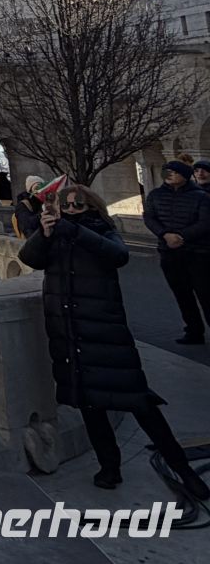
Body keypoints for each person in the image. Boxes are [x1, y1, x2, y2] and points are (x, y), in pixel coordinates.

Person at [19, 184, 209, 497]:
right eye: (65, 205)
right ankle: (109, 467)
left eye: (78, 204)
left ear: (91, 207)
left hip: (105, 334)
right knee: (89, 404)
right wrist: (45, 231)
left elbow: (118, 254)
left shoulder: (102, 231)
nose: (71, 208)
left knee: (139, 401)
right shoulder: (55, 236)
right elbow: (29, 257)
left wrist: (72, 229)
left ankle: (183, 470)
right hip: (69, 332)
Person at [142, 160, 210, 345]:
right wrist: (164, 235)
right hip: (169, 252)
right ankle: (193, 331)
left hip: (198, 253)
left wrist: (181, 236)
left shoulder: (201, 197)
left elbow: (205, 223)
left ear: (185, 175)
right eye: (166, 172)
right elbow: (149, 217)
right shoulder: (155, 195)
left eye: (174, 172)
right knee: (182, 294)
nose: (169, 175)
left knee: (205, 293)